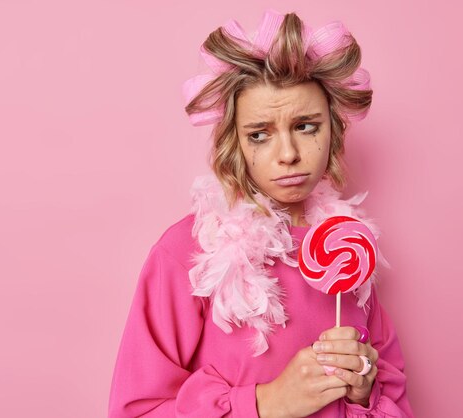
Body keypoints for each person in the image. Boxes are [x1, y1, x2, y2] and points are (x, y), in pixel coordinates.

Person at [108, 9, 414, 418]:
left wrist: (363, 391)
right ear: (234, 144)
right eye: (260, 134)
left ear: (332, 131)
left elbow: (398, 401)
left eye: (306, 126)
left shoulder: (348, 250)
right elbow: (135, 410)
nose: (288, 154)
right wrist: (265, 403)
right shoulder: (184, 254)